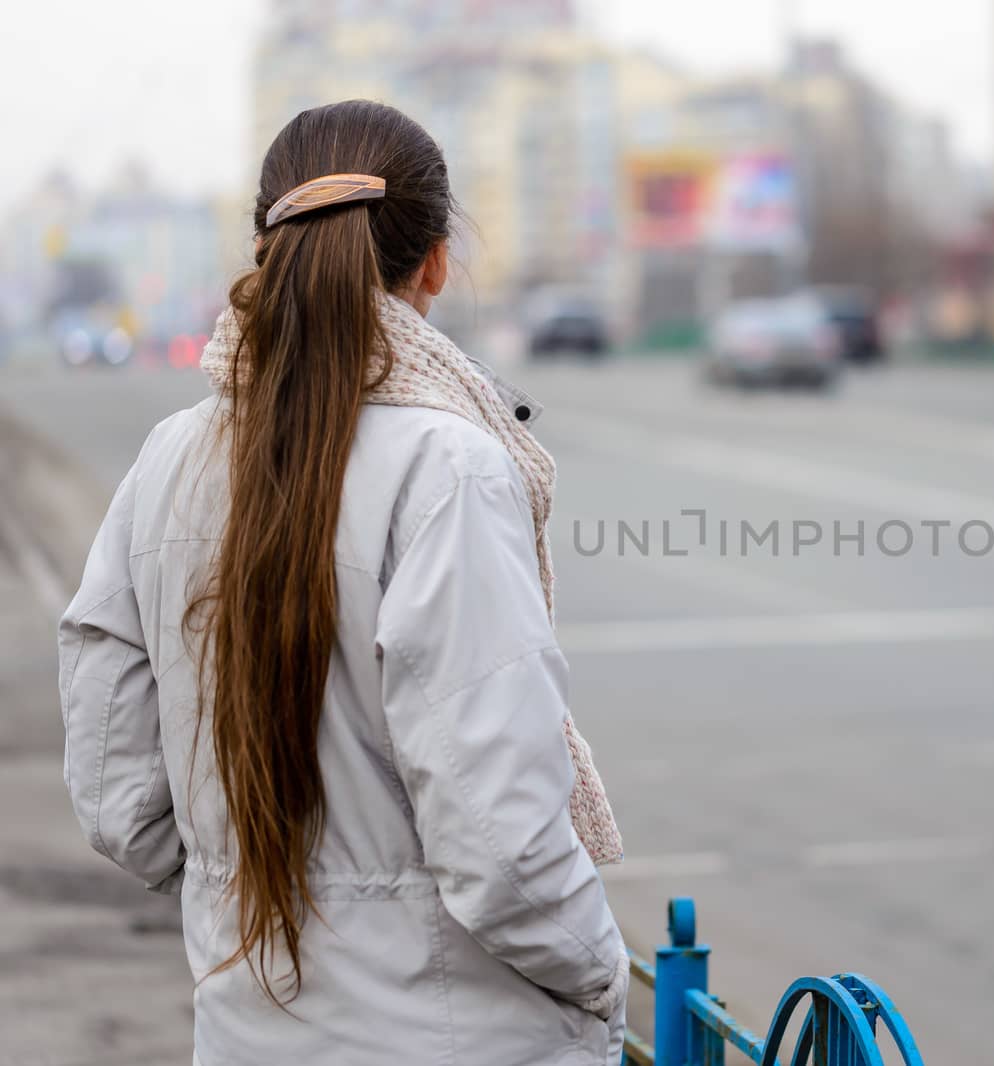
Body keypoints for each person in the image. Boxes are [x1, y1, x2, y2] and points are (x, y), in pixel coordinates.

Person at [58, 100, 627, 1065]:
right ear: (436, 261)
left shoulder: (169, 459)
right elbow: (502, 846)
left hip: (247, 1030)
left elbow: (116, 792)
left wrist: (227, 879)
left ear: (262, 249)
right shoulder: (450, 467)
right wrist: (600, 974)